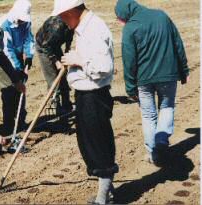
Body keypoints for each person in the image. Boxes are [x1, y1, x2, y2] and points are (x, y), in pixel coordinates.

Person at [52, 0, 118, 204]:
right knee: (90, 144)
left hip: (94, 97)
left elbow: (104, 67)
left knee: (98, 145)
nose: (62, 19)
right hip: (85, 95)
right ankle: (108, 192)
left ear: (71, 10)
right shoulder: (83, 28)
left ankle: (102, 199)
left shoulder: (94, 29)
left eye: (62, 15)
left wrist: (77, 60)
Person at [115, 0, 190, 166]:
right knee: (167, 106)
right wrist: (184, 70)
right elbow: (178, 43)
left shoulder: (130, 28)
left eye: (121, 18)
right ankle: (162, 140)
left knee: (148, 115)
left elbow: (129, 61)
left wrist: (130, 87)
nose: (121, 22)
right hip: (168, 75)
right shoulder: (162, 16)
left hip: (144, 80)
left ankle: (152, 153)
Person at [0, 0, 35, 135]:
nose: (23, 22)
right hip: (3, 58)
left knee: (21, 89)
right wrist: (17, 70)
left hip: (17, 56)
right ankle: (9, 126)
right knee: (9, 91)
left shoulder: (26, 22)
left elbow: (29, 39)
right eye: (21, 19)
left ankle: (21, 122)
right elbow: (7, 50)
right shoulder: (4, 25)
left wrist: (29, 56)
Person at [35, 16, 74, 114]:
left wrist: (66, 56)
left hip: (54, 45)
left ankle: (66, 104)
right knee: (53, 78)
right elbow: (45, 45)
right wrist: (56, 62)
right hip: (43, 48)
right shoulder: (57, 26)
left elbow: (69, 41)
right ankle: (56, 106)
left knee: (63, 75)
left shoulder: (72, 25)